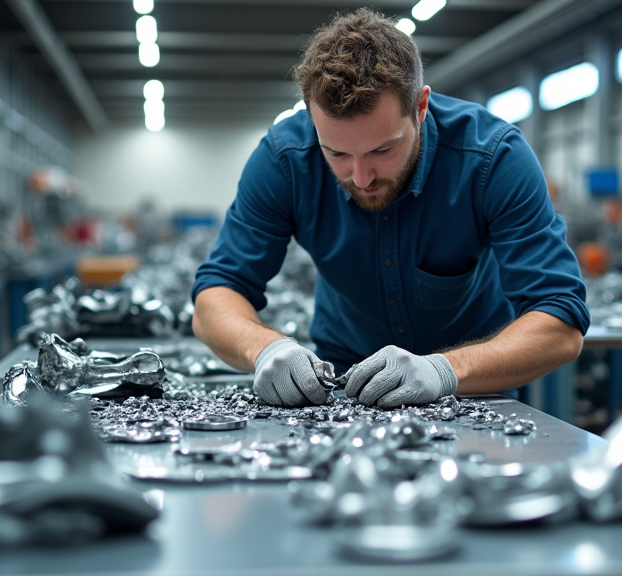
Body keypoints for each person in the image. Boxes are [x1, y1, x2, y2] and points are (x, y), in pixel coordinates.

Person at [191, 8, 589, 409]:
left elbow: (560, 321)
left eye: (382, 150)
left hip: (471, 387)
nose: (361, 177)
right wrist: (265, 348)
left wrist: (443, 370)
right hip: (339, 392)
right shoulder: (285, 159)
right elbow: (215, 295)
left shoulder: (492, 158)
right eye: (337, 153)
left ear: (420, 107)